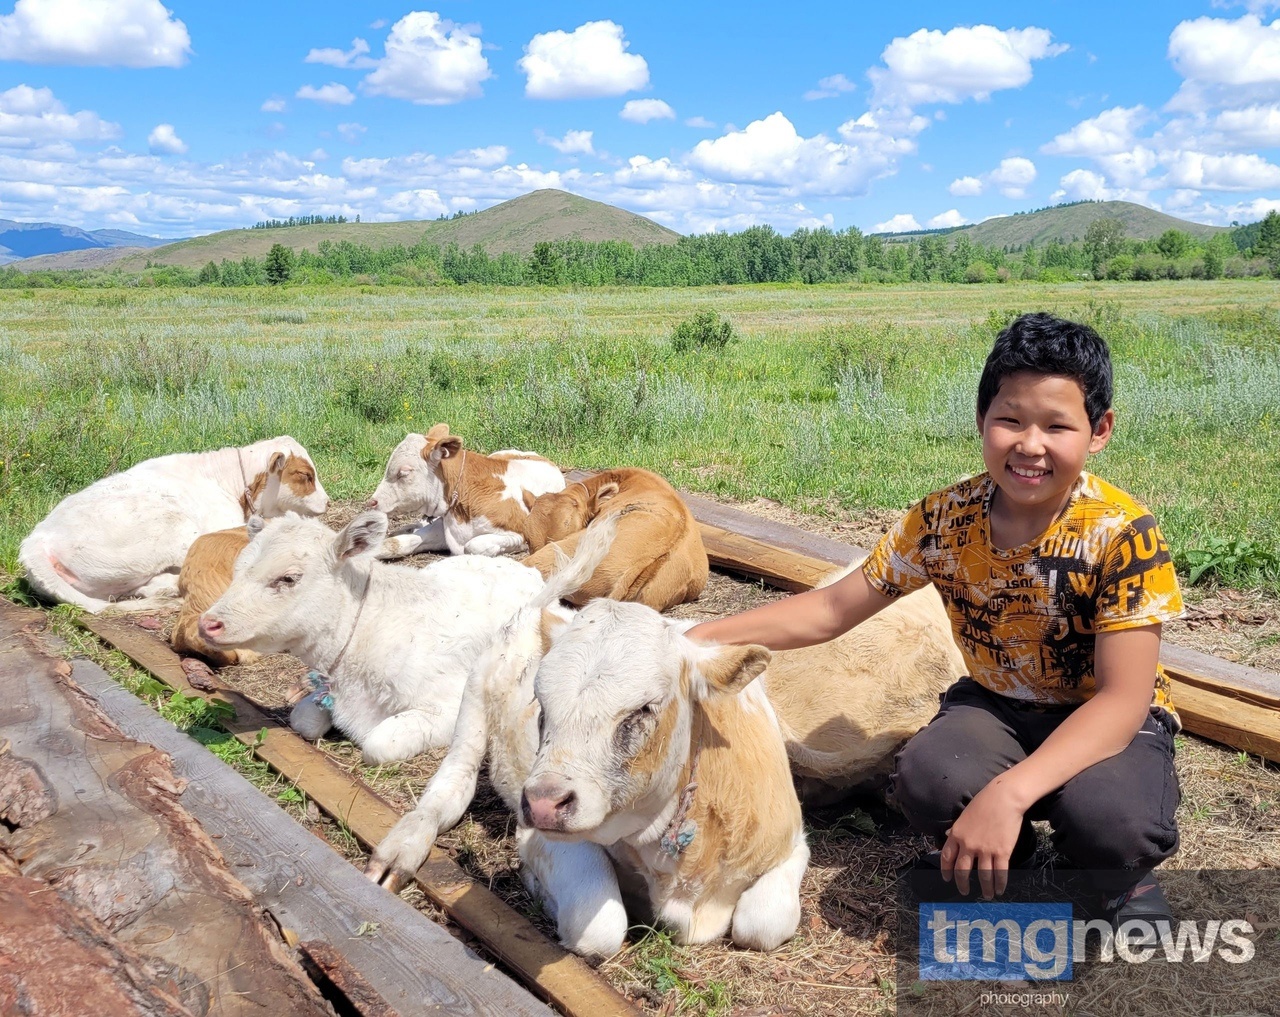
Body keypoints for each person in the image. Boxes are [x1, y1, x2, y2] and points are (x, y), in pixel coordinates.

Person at [688, 312, 1183, 925]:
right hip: (998, 704)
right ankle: (1008, 853)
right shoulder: (943, 521)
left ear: (1099, 430)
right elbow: (832, 608)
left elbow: (1122, 699)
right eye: (1010, 420)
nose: (1030, 445)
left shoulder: (1122, 533)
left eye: (1057, 425)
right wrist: (699, 636)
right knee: (928, 778)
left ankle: (1117, 883)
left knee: (1114, 824)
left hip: (1103, 718)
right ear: (982, 420)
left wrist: (1007, 791)